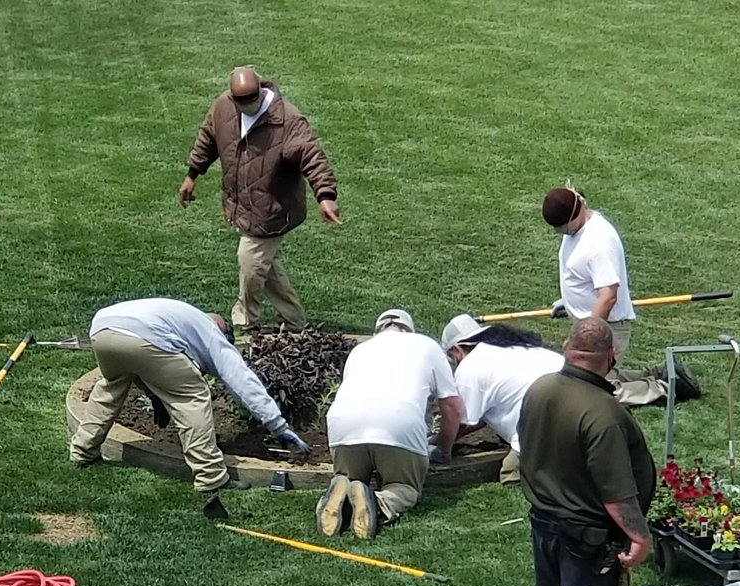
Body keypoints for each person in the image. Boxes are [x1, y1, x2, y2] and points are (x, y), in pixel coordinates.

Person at [517, 317, 656, 586]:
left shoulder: (540, 390)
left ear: (566, 346)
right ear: (611, 356)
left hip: (546, 524)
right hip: (589, 537)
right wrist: (639, 537)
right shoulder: (603, 414)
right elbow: (616, 493)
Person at [70, 298, 311, 492]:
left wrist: (157, 396)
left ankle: (82, 450)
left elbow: (145, 368)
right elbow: (240, 379)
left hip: (103, 328)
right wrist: (278, 425)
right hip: (145, 336)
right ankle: (210, 477)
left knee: (111, 388)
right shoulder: (209, 331)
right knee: (192, 397)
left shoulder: (181, 316)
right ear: (221, 329)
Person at [180, 67, 340, 333]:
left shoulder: (287, 120)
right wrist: (192, 175)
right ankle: (294, 321)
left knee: (250, 260)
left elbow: (313, 157)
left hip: (273, 210)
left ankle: (245, 321)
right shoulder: (223, 107)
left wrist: (326, 196)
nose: (246, 107)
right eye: (239, 102)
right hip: (243, 206)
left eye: (250, 100)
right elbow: (208, 138)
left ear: (259, 92)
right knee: (266, 266)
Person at [541, 186, 700, 406]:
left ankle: (667, 386)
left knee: (592, 393)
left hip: (607, 327)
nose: (561, 233)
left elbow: (608, 296)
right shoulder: (578, 228)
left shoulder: (599, 243)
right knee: (593, 378)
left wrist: (584, 335)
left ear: (574, 214)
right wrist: (568, 302)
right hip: (593, 322)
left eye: (562, 228)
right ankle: (659, 372)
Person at [316, 310, 463, 539]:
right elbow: (452, 408)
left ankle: (342, 487)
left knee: (353, 478)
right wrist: (443, 448)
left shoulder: (359, 350)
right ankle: (379, 502)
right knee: (405, 488)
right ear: (409, 330)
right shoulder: (427, 345)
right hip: (398, 427)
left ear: (378, 331)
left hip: (343, 427)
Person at [439, 315, 564, 486]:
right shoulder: (512, 348)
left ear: (457, 350)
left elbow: (460, 422)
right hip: (580, 409)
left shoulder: (469, 367)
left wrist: (436, 444)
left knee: (511, 475)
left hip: (549, 426)